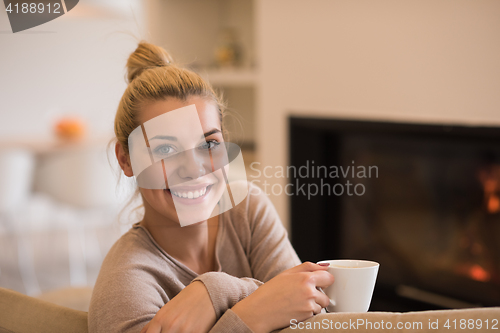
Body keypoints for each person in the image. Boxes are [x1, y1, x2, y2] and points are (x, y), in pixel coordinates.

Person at [88, 41, 334, 333]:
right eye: (165, 149)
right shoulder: (126, 283)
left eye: (209, 144)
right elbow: (289, 298)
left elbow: (309, 309)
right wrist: (248, 313)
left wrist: (217, 290)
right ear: (125, 160)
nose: (194, 168)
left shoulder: (247, 208)